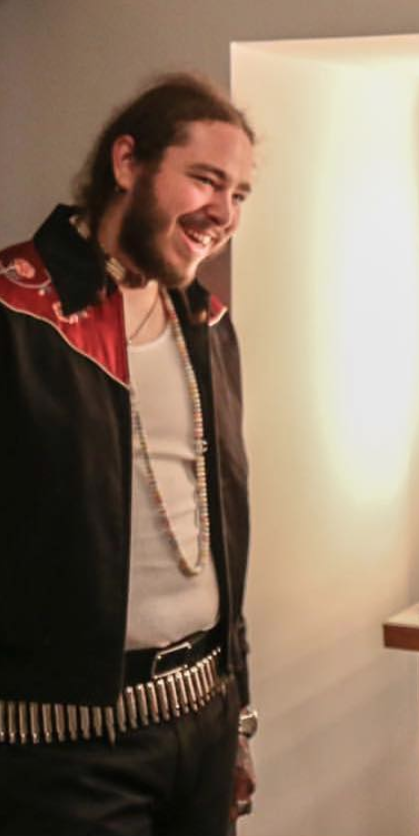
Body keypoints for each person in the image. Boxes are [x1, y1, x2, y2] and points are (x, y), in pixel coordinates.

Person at [0, 74, 259, 834]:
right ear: (127, 163)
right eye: (205, 179)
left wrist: (238, 710)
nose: (224, 212)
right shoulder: (14, 310)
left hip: (204, 722)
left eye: (240, 193)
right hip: (58, 753)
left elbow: (217, 528)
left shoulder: (206, 321)